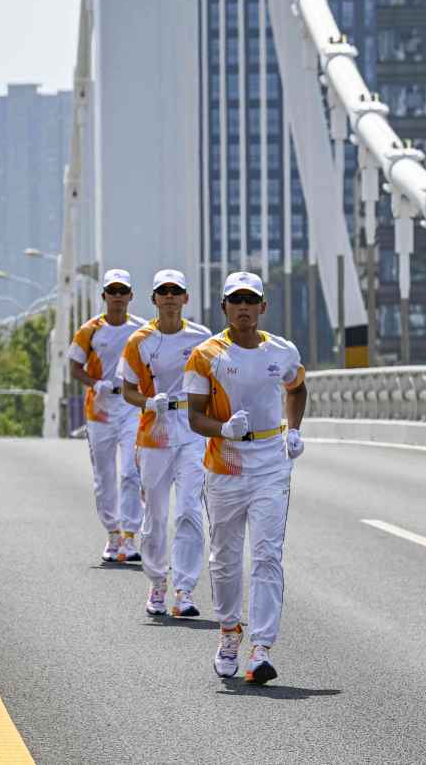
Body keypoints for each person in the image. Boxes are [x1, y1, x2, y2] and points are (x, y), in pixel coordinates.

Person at [184, 271, 307, 685]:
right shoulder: (206, 354)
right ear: (224, 308)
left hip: (271, 463)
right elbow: (195, 415)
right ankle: (229, 631)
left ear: (261, 307)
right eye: (235, 300)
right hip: (225, 465)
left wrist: (293, 429)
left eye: (250, 300)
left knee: (268, 553)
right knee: (224, 557)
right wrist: (223, 430)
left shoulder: (282, 350)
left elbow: (298, 386)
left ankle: (261, 648)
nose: (243, 307)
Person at [118, 270, 212, 618]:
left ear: (186, 298)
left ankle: (184, 589)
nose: (170, 297)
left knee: (189, 510)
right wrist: (146, 402)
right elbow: (127, 388)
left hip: (190, 428)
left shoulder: (203, 338)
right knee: (156, 515)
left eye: (176, 291)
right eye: (163, 292)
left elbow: (215, 383)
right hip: (155, 431)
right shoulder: (139, 342)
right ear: (154, 299)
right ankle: (158, 581)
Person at [68, 269, 147, 563]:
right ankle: (112, 534)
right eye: (111, 291)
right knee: (104, 476)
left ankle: (129, 535)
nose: (116, 297)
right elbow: (74, 366)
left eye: (121, 291)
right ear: (104, 296)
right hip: (99, 408)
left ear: (130, 296)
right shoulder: (89, 329)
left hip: (129, 405)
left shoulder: (140, 330)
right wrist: (94, 383)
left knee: (130, 470)